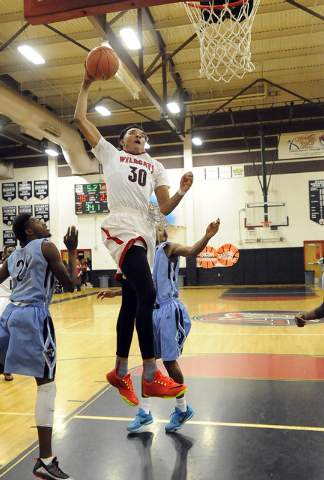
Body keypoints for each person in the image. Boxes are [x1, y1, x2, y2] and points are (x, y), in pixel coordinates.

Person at [74, 68, 193, 406]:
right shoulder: (110, 154)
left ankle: (120, 370)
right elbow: (79, 117)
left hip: (144, 228)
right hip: (123, 225)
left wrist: (181, 192)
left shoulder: (156, 166)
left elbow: (165, 205)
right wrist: (86, 82)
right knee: (149, 291)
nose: (139, 135)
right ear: (122, 141)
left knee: (130, 300)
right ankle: (152, 376)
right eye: (133, 133)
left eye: (142, 134)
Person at [97, 219, 221, 433]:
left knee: (170, 362)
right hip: (149, 312)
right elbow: (141, 286)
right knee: (149, 365)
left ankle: (182, 409)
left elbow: (191, 250)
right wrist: (116, 293)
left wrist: (208, 236)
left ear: (164, 234)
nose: (153, 231)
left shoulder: (168, 248)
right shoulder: (143, 255)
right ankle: (145, 413)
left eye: (157, 229)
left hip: (168, 311)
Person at [0, 213, 78, 480]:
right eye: (38, 222)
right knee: (47, 385)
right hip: (33, 317)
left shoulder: (13, 256)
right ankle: (45, 460)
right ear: (30, 232)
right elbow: (71, 285)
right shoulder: (47, 246)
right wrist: (72, 250)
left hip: (9, 316)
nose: (43, 223)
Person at [0, 245, 15, 381]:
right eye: (9, 251)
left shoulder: (21, 268)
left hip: (15, 304)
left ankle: (7, 368)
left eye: (14, 251)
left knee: (11, 340)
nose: (12, 253)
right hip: (2, 302)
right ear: (4, 255)